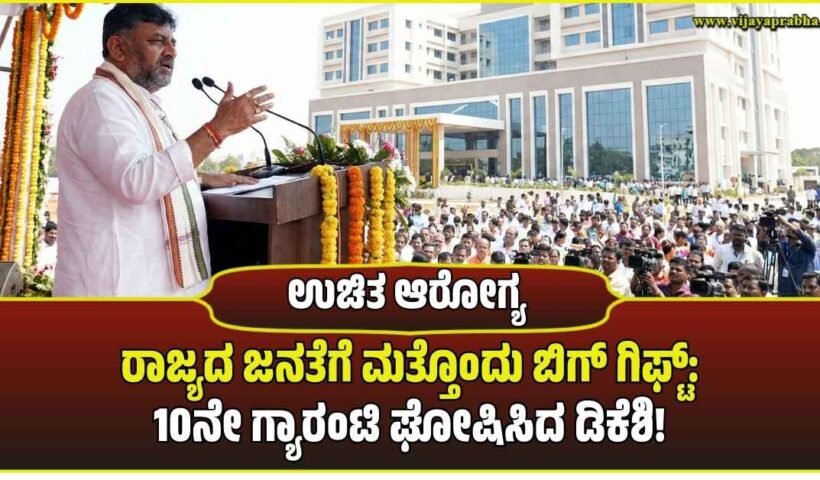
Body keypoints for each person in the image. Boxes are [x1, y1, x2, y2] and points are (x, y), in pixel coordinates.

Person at [55, 4, 271, 296]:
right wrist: (218, 129)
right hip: (118, 290)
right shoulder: (99, 101)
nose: (171, 51)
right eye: (157, 41)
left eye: (173, 42)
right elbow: (136, 180)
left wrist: (198, 177)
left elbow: (148, 164)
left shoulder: (134, 100)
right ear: (118, 47)